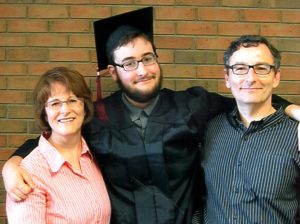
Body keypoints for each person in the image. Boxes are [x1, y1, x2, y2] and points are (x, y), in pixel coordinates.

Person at [2, 8, 298, 224]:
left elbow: (249, 98)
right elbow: (54, 139)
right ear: (112, 72)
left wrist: (292, 110)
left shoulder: (194, 105)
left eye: (147, 58)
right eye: (129, 63)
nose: (142, 70)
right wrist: (13, 164)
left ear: (156, 59)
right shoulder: (96, 117)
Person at [201, 35, 300, 223]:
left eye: (261, 68)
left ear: (276, 77)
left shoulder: (296, 135)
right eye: (240, 69)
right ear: (227, 78)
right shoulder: (211, 129)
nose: (251, 78)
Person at [5, 67, 111, 223]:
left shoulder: (93, 156)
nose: (65, 110)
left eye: (73, 100)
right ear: (44, 113)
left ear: (84, 106)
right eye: (55, 103)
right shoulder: (29, 173)